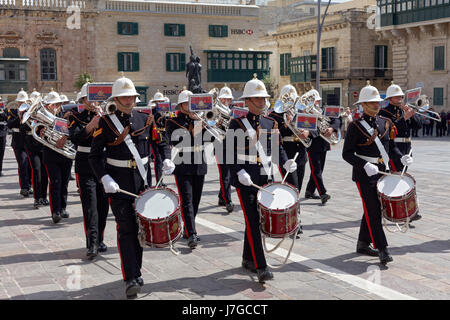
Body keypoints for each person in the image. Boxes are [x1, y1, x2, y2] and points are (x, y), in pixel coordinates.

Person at [89, 74, 174, 298]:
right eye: (124, 98)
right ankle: (130, 277)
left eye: (131, 98)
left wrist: (166, 158)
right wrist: (104, 178)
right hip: (119, 184)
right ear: (115, 99)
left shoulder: (145, 118)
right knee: (126, 229)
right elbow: (95, 156)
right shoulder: (105, 122)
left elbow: (161, 142)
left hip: (143, 182)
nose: (129, 101)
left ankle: (135, 270)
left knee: (141, 230)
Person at [226, 75, 297, 283]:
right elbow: (228, 153)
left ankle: (248, 258)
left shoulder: (270, 122)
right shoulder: (237, 123)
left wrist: (285, 162)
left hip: (265, 176)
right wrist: (238, 171)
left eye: (263, 99)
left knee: (256, 221)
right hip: (246, 178)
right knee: (253, 220)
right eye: (256, 99)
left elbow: (277, 148)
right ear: (247, 101)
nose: (261, 102)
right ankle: (261, 266)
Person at [342, 82, 413, 265]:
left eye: (377, 102)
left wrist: (402, 157)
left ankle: (363, 243)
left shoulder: (385, 123)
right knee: (373, 210)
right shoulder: (355, 126)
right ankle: (382, 248)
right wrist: (364, 164)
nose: (376, 105)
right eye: (371, 102)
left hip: (383, 171)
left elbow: (391, 148)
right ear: (363, 105)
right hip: (364, 174)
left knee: (374, 208)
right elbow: (347, 154)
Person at [68, 82, 109, 259]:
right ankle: (91, 244)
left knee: (103, 206)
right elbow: (75, 138)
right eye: (89, 99)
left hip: (105, 164)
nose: (94, 103)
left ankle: (99, 239)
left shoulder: (109, 116)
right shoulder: (75, 116)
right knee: (90, 206)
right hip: (85, 164)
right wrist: (91, 125)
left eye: (96, 99)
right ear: (83, 100)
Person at [165, 89, 208, 249]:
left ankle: (189, 228)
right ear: (181, 105)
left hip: (199, 163)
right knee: (187, 200)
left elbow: (210, 138)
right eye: (186, 103)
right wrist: (197, 125)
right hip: (183, 164)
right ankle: (192, 233)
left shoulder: (200, 120)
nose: (190, 106)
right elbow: (178, 140)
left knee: (195, 200)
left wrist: (207, 124)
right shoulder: (173, 122)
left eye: (192, 103)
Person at [269, 84, 310, 235]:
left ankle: (296, 219)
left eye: (293, 99)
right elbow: (274, 136)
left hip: (300, 153)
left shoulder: (301, 111)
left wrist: (307, 132)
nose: (291, 102)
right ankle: (292, 222)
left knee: (297, 189)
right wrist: (286, 125)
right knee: (291, 188)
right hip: (286, 154)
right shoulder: (274, 115)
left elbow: (314, 128)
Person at [379, 82, 421, 221]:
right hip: (394, 147)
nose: (400, 99)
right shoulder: (384, 112)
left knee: (403, 176)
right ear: (390, 99)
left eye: (401, 97)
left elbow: (418, 126)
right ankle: (396, 208)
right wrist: (404, 118)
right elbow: (388, 128)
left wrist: (412, 114)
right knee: (396, 177)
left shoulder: (403, 109)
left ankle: (406, 209)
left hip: (406, 147)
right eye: (397, 97)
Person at [39, 90, 73, 224]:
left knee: (64, 182)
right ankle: (55, 211)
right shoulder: (41, 117)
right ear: (47, 105)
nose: (55, 106)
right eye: (52, 104)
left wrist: (66, 135)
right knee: (55, 182)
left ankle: (63, 208)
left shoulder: (66, 115)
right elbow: (35, 133)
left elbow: (73, 131)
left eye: (57, 104)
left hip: (65, 154)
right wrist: (40, 131)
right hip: (51, 154)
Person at [304, 89, 341, 205]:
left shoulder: (325, 110)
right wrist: (315, 131)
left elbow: (337, 120)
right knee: (316, 170)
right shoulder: (305, 112)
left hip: (324, 144)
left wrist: (332, 128)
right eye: (312, 101)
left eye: (315, 101)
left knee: (319, 170)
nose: (315, 103)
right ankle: (323, 193)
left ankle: (309, 191)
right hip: (313, 144)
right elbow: (307, 128)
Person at [20, 91, 49, 209]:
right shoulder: (27, 116)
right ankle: (37, 198)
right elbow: (22, 129)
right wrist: (30, 121)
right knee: (36, 171)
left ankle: (44, 196)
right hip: (32, 147)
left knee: (45, 172)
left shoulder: (44, 114)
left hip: (44, 146)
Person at [7, 90, 32, 197]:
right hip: (18, 142)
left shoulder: (31, 112)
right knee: (22, 164)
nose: (21, 104)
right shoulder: (12, 112)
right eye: (20, 102)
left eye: (23, 102)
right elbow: (10, 124)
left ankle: (30, 185)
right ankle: (24, 187)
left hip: (29, 141)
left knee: (30, 165)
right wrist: (20, 116)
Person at [215, 84, 235, 213]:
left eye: (228, 99)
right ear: (220, 99)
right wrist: (217, 123)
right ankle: (228, 200)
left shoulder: (234, 111)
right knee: (225, 174)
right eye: (224, 99)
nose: (226, 101)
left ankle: (221, 197)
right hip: (220, 143)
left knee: (230, 174)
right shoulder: (215, 110)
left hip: (232, 145)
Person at [0, 97, 7, 177]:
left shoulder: (5, 110)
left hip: (2, 133)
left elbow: (7, 119)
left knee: (1, 152)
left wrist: (2, 112)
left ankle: (0, 169)